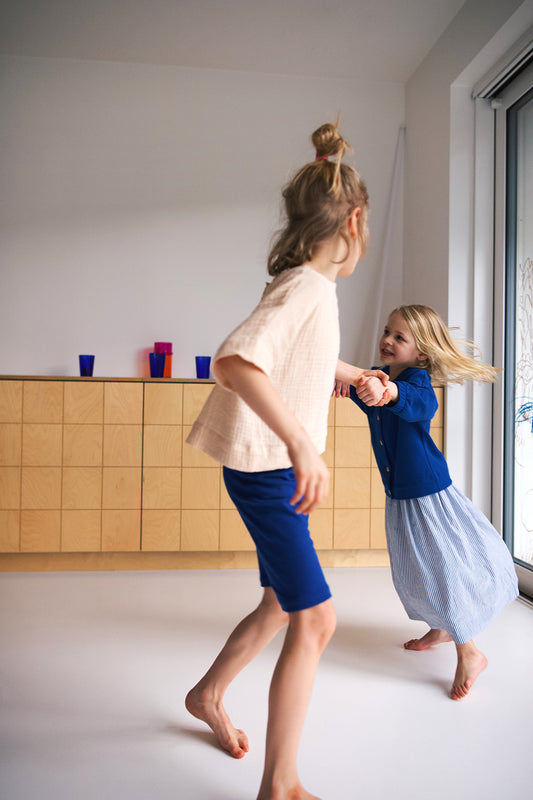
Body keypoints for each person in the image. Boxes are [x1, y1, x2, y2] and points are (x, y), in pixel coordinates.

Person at [185, 122, 380, 800]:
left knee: (278, 603)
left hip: (267, 466)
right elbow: (236, 360)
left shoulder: (309, 287)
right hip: (269, 469)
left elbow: (302, 357)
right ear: (355, 220)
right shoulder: (305, 287)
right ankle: (281, 785)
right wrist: (300, 443)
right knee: (316, 617)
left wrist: (354, 376)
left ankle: (207, 695)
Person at [335, 304, 519, 700]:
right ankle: (441, 627)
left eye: (399, 337)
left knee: (440, 569)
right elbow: (362, 387)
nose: (387, 340)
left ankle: (469, 651)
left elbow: (415, 404)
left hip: (426, 491)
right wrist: (346, 384)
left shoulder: (415, 382)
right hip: (402, 492)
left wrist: (389, 391)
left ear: (421, 352)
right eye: (387, 331)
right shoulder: (380, 376)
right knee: (416, 569)